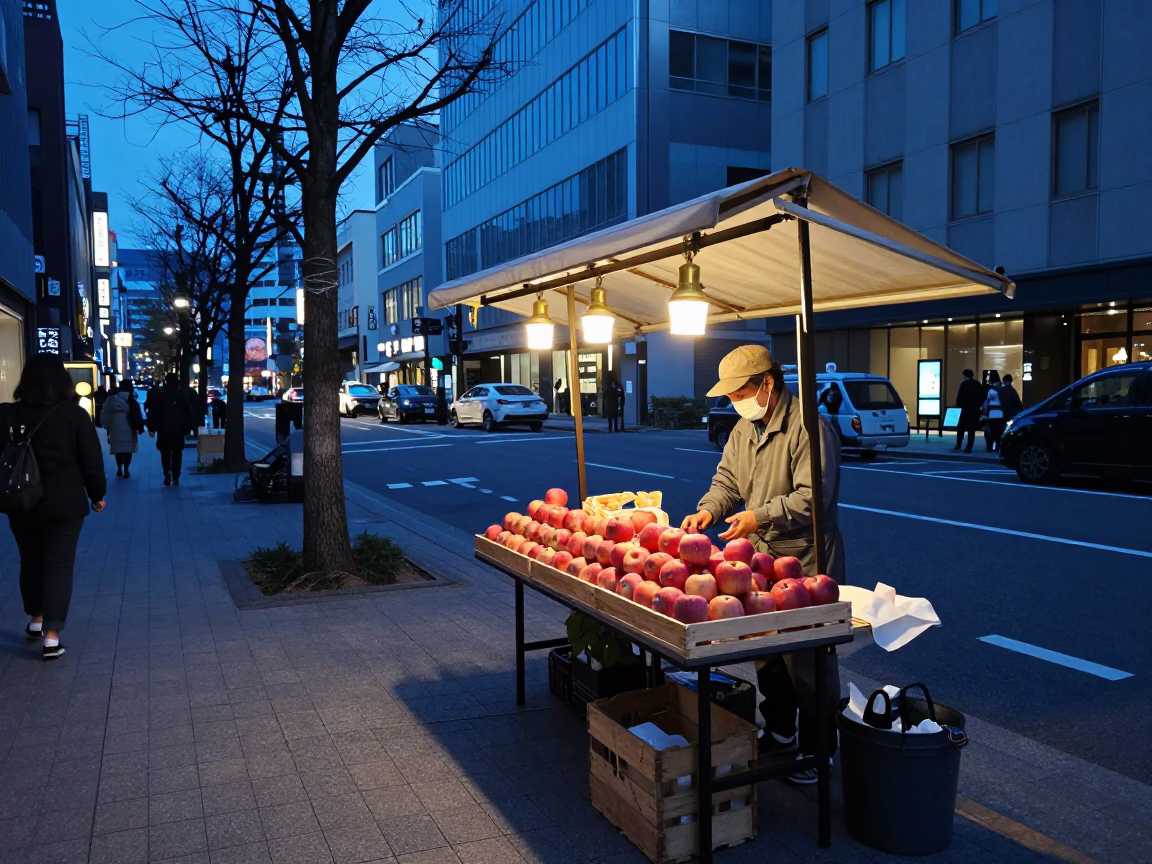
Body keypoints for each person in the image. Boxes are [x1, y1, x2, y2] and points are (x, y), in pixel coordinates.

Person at [682, 345, 844, 784]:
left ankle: (818, 750)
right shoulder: (743, 429)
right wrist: (709, 509)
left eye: (740, 393)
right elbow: (727, 480)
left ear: (767, 384)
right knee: (766, 656)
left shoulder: (809, 428)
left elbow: (814, 497)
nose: (735, 403)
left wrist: (760, 515)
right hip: (757, 561)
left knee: (807, 662)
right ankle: (779, 732)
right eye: (730, 397)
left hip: (806, 561)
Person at [0, 354, 106, 660]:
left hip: (20, 502)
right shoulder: (73, 415)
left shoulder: (7, 414)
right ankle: (51, 635)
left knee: (29, 560)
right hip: (65, 504)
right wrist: (97, 494)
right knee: (58, 565)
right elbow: (92, 461)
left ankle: (35, 619)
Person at [147, 373, 193, 486]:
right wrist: (188, 427)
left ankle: (167, 473)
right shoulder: (181, 396)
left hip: (164, 431)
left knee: (165, 453)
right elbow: (188, 413)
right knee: (177, 454)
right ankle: (176, 476)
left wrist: (151, 428)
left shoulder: (161, 396)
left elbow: (154, 413)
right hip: (178, 431)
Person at [103, 380, 146, 478]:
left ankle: (119, 469)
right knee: (127, 450)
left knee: (118, 449)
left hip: (115, 427)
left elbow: (105, 414)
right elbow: (137, 416)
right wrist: (139, 427)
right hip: (129, 428)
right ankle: (126, 469)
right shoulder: (132, 401)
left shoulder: (112, 399)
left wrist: (108, 427)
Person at [953, 369, 984, 453]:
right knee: (971, 430)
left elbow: (959, 398)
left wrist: (959, 406)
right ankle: (969, 447)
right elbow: (982, 397)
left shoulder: (963, 385)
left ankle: (958, 444)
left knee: (961, 429)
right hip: (974, 411)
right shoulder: (977, 384)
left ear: (965, 376)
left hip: (964, 410)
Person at [982, 370, 1005, 452]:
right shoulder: (1002, 387)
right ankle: (998, 446)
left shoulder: (991, 390)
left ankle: (989, 446)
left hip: (992, 412)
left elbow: (987, 401)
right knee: (998, 431)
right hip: (1001, 413)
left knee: (989, 431)